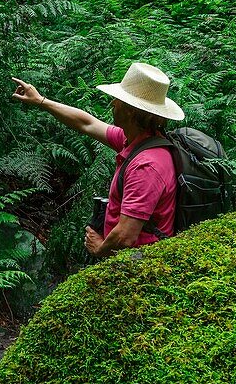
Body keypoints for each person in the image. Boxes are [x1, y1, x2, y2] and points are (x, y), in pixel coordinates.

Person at [11, 62, 184, 257]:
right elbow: (87, 124)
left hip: (140, 263)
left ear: (130, 110)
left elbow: (126, 236)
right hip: (130, 257)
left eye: (117, 100)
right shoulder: (137, 140)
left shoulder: (146, 166)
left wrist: (99, 249)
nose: (112, 104)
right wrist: (41, 101)